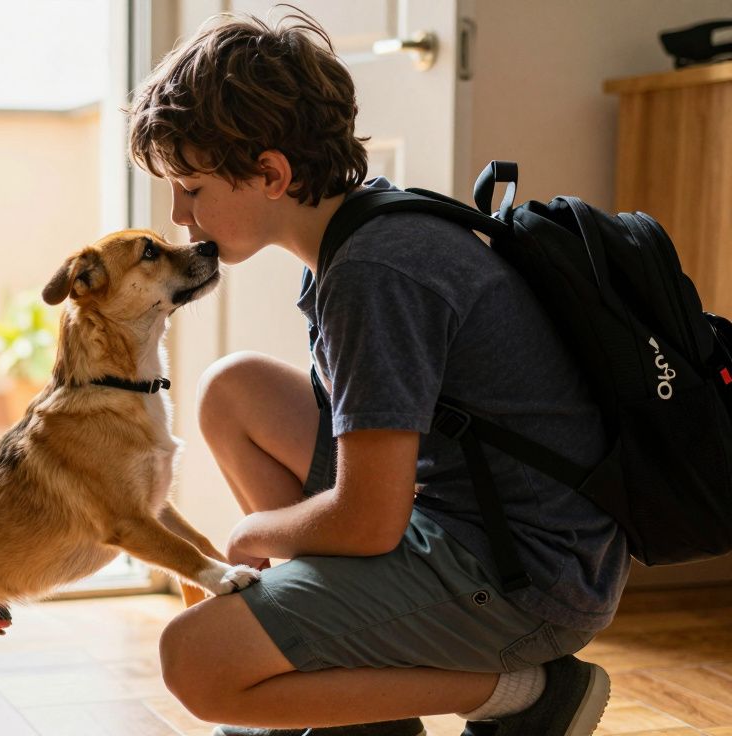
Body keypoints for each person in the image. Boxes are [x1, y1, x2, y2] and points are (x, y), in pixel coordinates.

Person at [125, 9, 628, 736]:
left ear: (271, 173)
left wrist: (250, 536)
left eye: (192, 188)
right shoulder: (363, 230)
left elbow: (366, 520)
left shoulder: (375, 273)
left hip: (526, 584)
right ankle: (356, 708)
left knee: (196, 662)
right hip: (481, 529)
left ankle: (522, 694)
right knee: (234, 394)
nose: (179, 216)